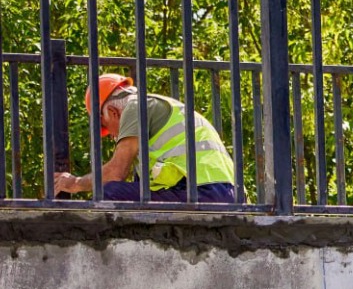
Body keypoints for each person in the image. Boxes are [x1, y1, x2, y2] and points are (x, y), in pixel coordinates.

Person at [52, 73, 237, 203]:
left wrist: (76, 183)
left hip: (204, 192)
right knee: (135, 190)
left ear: (112, 112)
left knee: (110, 192)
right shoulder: (153, 107)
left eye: (107, 128)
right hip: (226, 193)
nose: (113, 136)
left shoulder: (135, 107)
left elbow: (116, 172)